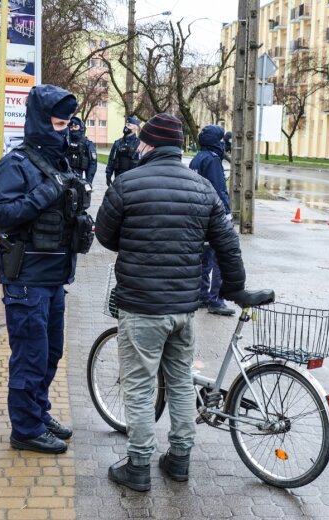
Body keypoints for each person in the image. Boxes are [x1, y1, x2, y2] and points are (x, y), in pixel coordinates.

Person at [95, 113, 246, 492]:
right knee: (179, 383)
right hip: (183, 308)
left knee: (141, 385)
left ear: (148, 144)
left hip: (141, 305)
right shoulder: (201, 188)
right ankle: (179, 461)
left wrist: (134, 243)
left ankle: (139, 465)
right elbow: (227, 242)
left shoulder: (128, 184)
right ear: (178, 148)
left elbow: (107, 236)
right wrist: (236, 288)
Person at [0, 84, 90, 455]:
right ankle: (25, 429)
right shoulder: (16, 163)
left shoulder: (61, 161)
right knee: (30, 356)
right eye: (58, 124)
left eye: (67, 124)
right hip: (27, 279)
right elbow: (1, 214)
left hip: (55, 276)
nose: (64, 132)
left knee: (50, 354)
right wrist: (44, 194)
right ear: (40, 121)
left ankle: (38, 411)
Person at [189, 125, 235, 316]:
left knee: (204, 258)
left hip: (199, 215)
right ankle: (216, 300)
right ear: (216, 141)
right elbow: (219, 190)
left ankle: (201, 296)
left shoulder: (197, 159)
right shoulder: (213, 160)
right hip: (214, 216)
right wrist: (227, 215)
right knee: (220, 258)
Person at [105, 115, 141, 186]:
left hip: (133, 178)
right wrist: (108, 174)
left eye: (129, 125)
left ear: (135, 128)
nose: (126, 127)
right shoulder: (118, 143)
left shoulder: (139, 143)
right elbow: (111, 159)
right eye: (126, 125)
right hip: (118, 177)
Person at [67, 116, 98, 184]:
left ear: (81, 127)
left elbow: (93, 164)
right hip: (65, 176)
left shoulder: (87, 143)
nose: (73, 129)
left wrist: (89, 181)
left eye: (75, 127)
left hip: (80, 178)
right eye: (71, 127)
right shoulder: (65, 142)